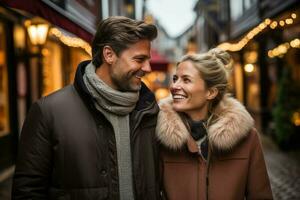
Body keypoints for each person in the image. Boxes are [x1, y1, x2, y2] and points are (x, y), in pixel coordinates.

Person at [12, 16, 161, 199]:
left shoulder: (150, 111)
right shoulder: (48, 112)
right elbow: (28, 191)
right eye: (139, 59)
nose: (147, 68)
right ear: (109, 55)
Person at [156, 48, 273, 200]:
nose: (174, 86)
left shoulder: (248, 139)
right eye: (175, 78)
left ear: (210, 92)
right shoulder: (159, 136)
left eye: (186, 80)